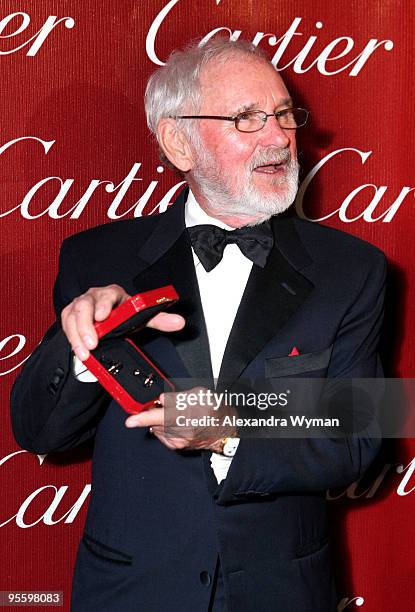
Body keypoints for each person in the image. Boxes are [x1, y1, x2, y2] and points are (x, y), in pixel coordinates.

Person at [10, 38, 386, 611]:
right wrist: (86, 345)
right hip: (132, 591)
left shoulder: (352, 269)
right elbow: (40, 434)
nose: (279, 137)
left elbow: (359, 439)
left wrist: (228, 427)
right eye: (247, 118)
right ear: (178, 141)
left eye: (284, 114)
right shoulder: (96, 259)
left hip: (281, 592)